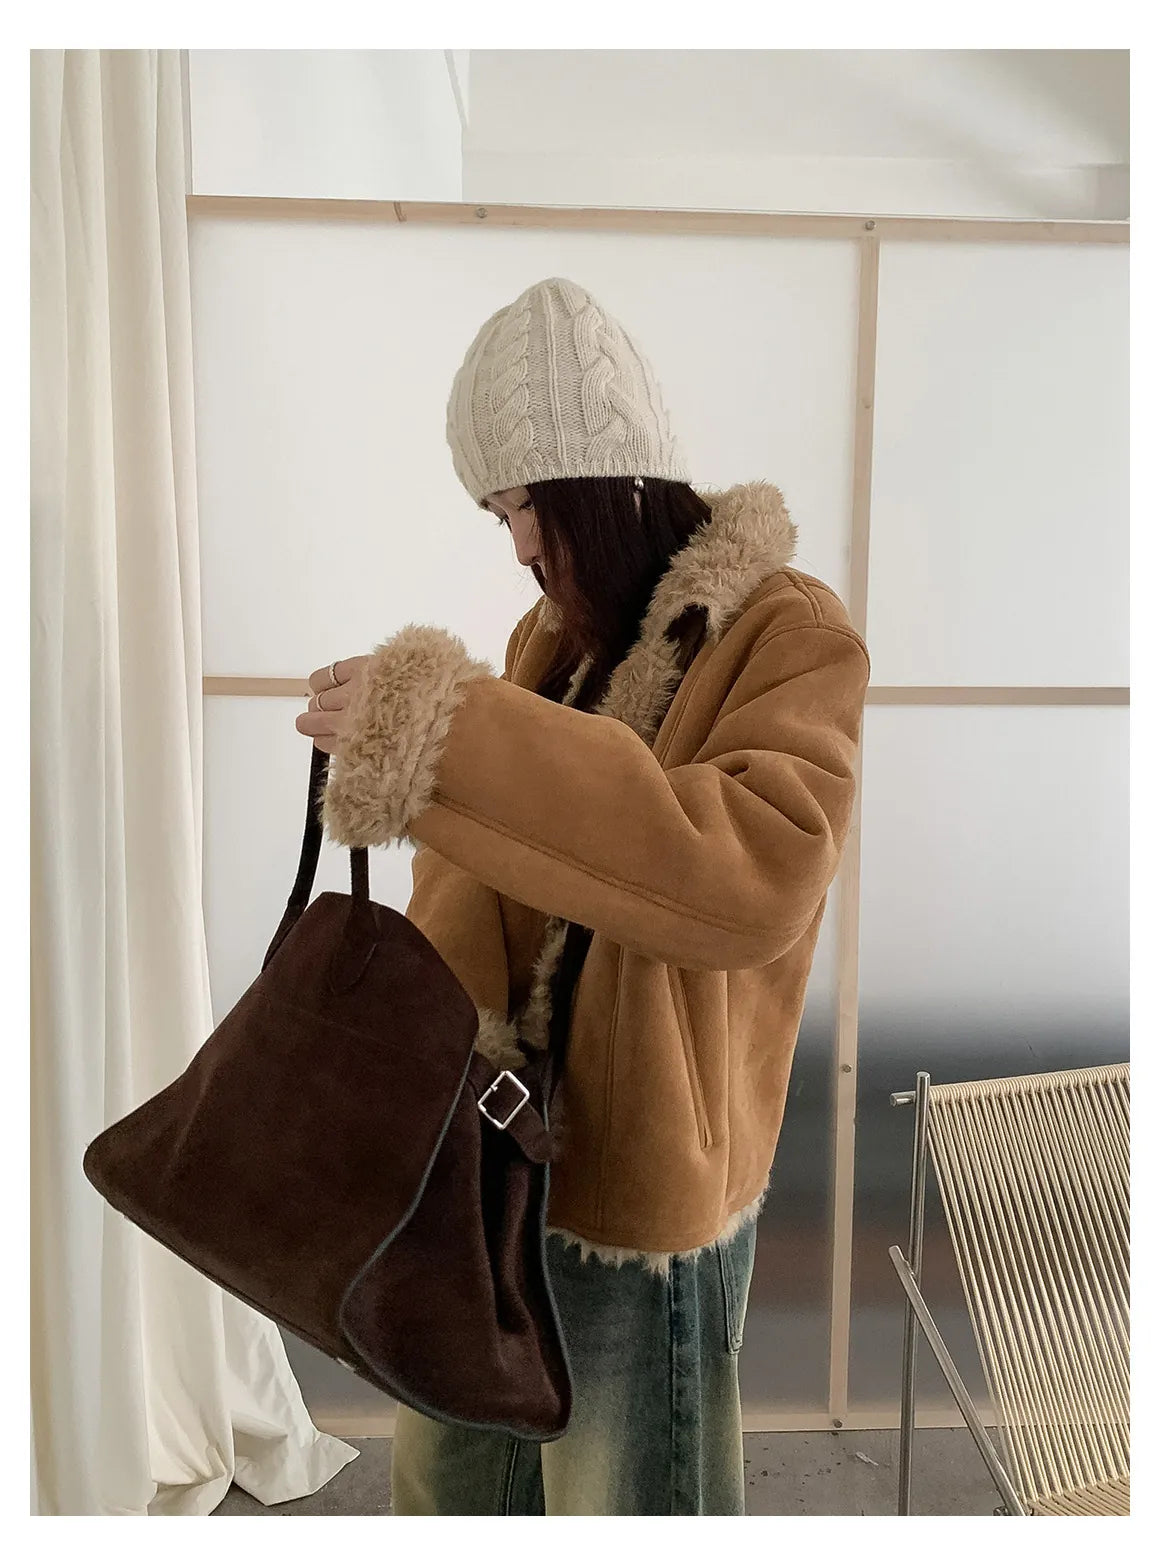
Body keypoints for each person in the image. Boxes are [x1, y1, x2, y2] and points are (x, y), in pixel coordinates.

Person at [295, 276, 870, 1514]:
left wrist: (456, 736)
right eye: (496, 515)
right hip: (486, 1158)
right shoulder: (550, 638)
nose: (516, 547)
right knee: (453, 1495)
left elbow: (751, 872)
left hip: (633, 1185)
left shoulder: (786, 634)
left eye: (524, 507)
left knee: (625, 1509)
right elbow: (490, 875)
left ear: (604, 483)